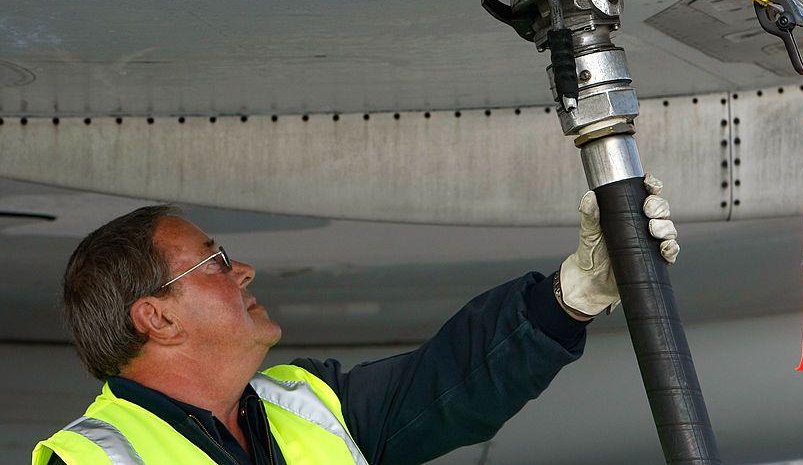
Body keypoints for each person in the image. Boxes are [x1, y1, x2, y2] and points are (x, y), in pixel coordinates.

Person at [34, 175, 679, 464]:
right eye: (215, 261)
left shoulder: (307, 405)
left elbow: (453, 385)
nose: (243, 271)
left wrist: (578, 292)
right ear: (158, 319)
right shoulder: (93, 461)